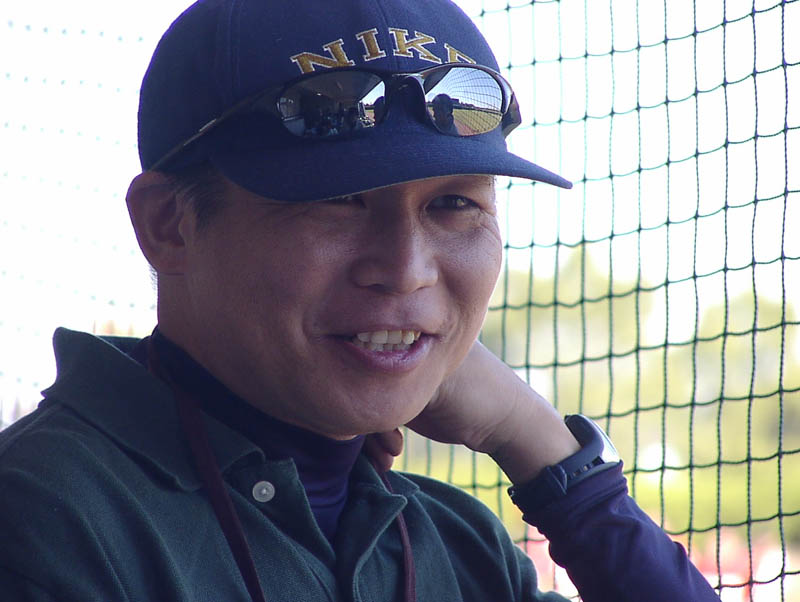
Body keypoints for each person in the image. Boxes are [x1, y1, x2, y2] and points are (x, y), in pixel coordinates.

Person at [0, 1, 722, 601]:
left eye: (453, 204)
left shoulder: (459, 547)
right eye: (338, 200)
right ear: (169, 225)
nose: (406, 271)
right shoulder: (45, 515)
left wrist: (536, 443)